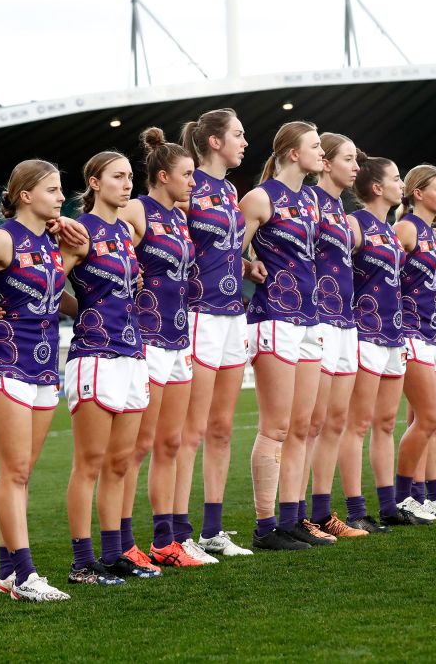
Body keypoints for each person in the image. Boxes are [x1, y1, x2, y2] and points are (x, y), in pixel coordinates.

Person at [63, 151, 157, 584]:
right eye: (117, 177)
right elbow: (48, 287)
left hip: (133, 355)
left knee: (121, 462)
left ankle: (116, 552)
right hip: (95, 355)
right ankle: (83, 563)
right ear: (95, 182)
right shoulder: (77, 230)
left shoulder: (126, 230)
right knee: (90, 463)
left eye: (130, 177)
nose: (127, 183)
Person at [0, 160, 72, 601]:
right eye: (53, 189)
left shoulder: (53, 241)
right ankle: (25, 574)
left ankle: (6, 574)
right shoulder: (2, 239)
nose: (61, 196)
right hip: (5, 363)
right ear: (25, 195)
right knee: (14, 472)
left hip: (44, 367)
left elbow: (58, 297)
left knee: (24, 474)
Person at [240, 121, 328, 551]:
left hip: (310, 319)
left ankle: (293, 518)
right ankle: (264, 526)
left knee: (306, 425)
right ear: (293, 153)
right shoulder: (259, 198)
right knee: (275, 426)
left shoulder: (310, 198)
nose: (321, 153)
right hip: (274, 316)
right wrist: (247, 265)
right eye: (315, 146)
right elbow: (225, 251)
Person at [118, 128, 205, 567]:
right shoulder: (138, 209)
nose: (194, 181)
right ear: (163, 175)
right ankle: (124, 542)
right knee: (140, 446)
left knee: (171, 444)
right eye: (187, 174)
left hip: (177, 340)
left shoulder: (179, 216)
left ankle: (166, 541)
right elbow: (110, 254)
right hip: (148, 340)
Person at [176, 108, 255, 559]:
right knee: (192, 429)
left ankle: (212, 529)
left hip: (231, 315)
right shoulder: (189, 187)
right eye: (238, 135)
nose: (245, 142)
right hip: (198, 314)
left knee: (222, 428)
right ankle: (178, 531)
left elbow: (221, 248)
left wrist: (248, 266)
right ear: (214, 142)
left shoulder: (228, 191)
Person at [340, 153, 424, 529]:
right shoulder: (355, 224)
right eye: (396, 177)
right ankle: (356, 511)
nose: (401, 183)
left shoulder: (390, 229)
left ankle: (389, 505)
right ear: (377, 188)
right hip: (365, 332)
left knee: (386, 423)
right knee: (357, 425)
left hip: (392, 333)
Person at [300, 132, 369, 539]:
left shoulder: (342, 210)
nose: (356, 166)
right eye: (348, 158)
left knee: (336, 421)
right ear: (326, 163)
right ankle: (298, 512)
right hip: (319, 319)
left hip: (346, 321)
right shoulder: (309, 202)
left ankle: (324, 513)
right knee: (313, 422)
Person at [393, 165, 436, 521]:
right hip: (409, 332)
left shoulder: (432, 233)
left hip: (430, 333)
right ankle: (403, 497)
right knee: (430, 418)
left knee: (423, 418)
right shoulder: (407, 228)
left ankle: (416, 494)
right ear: (418, 194)